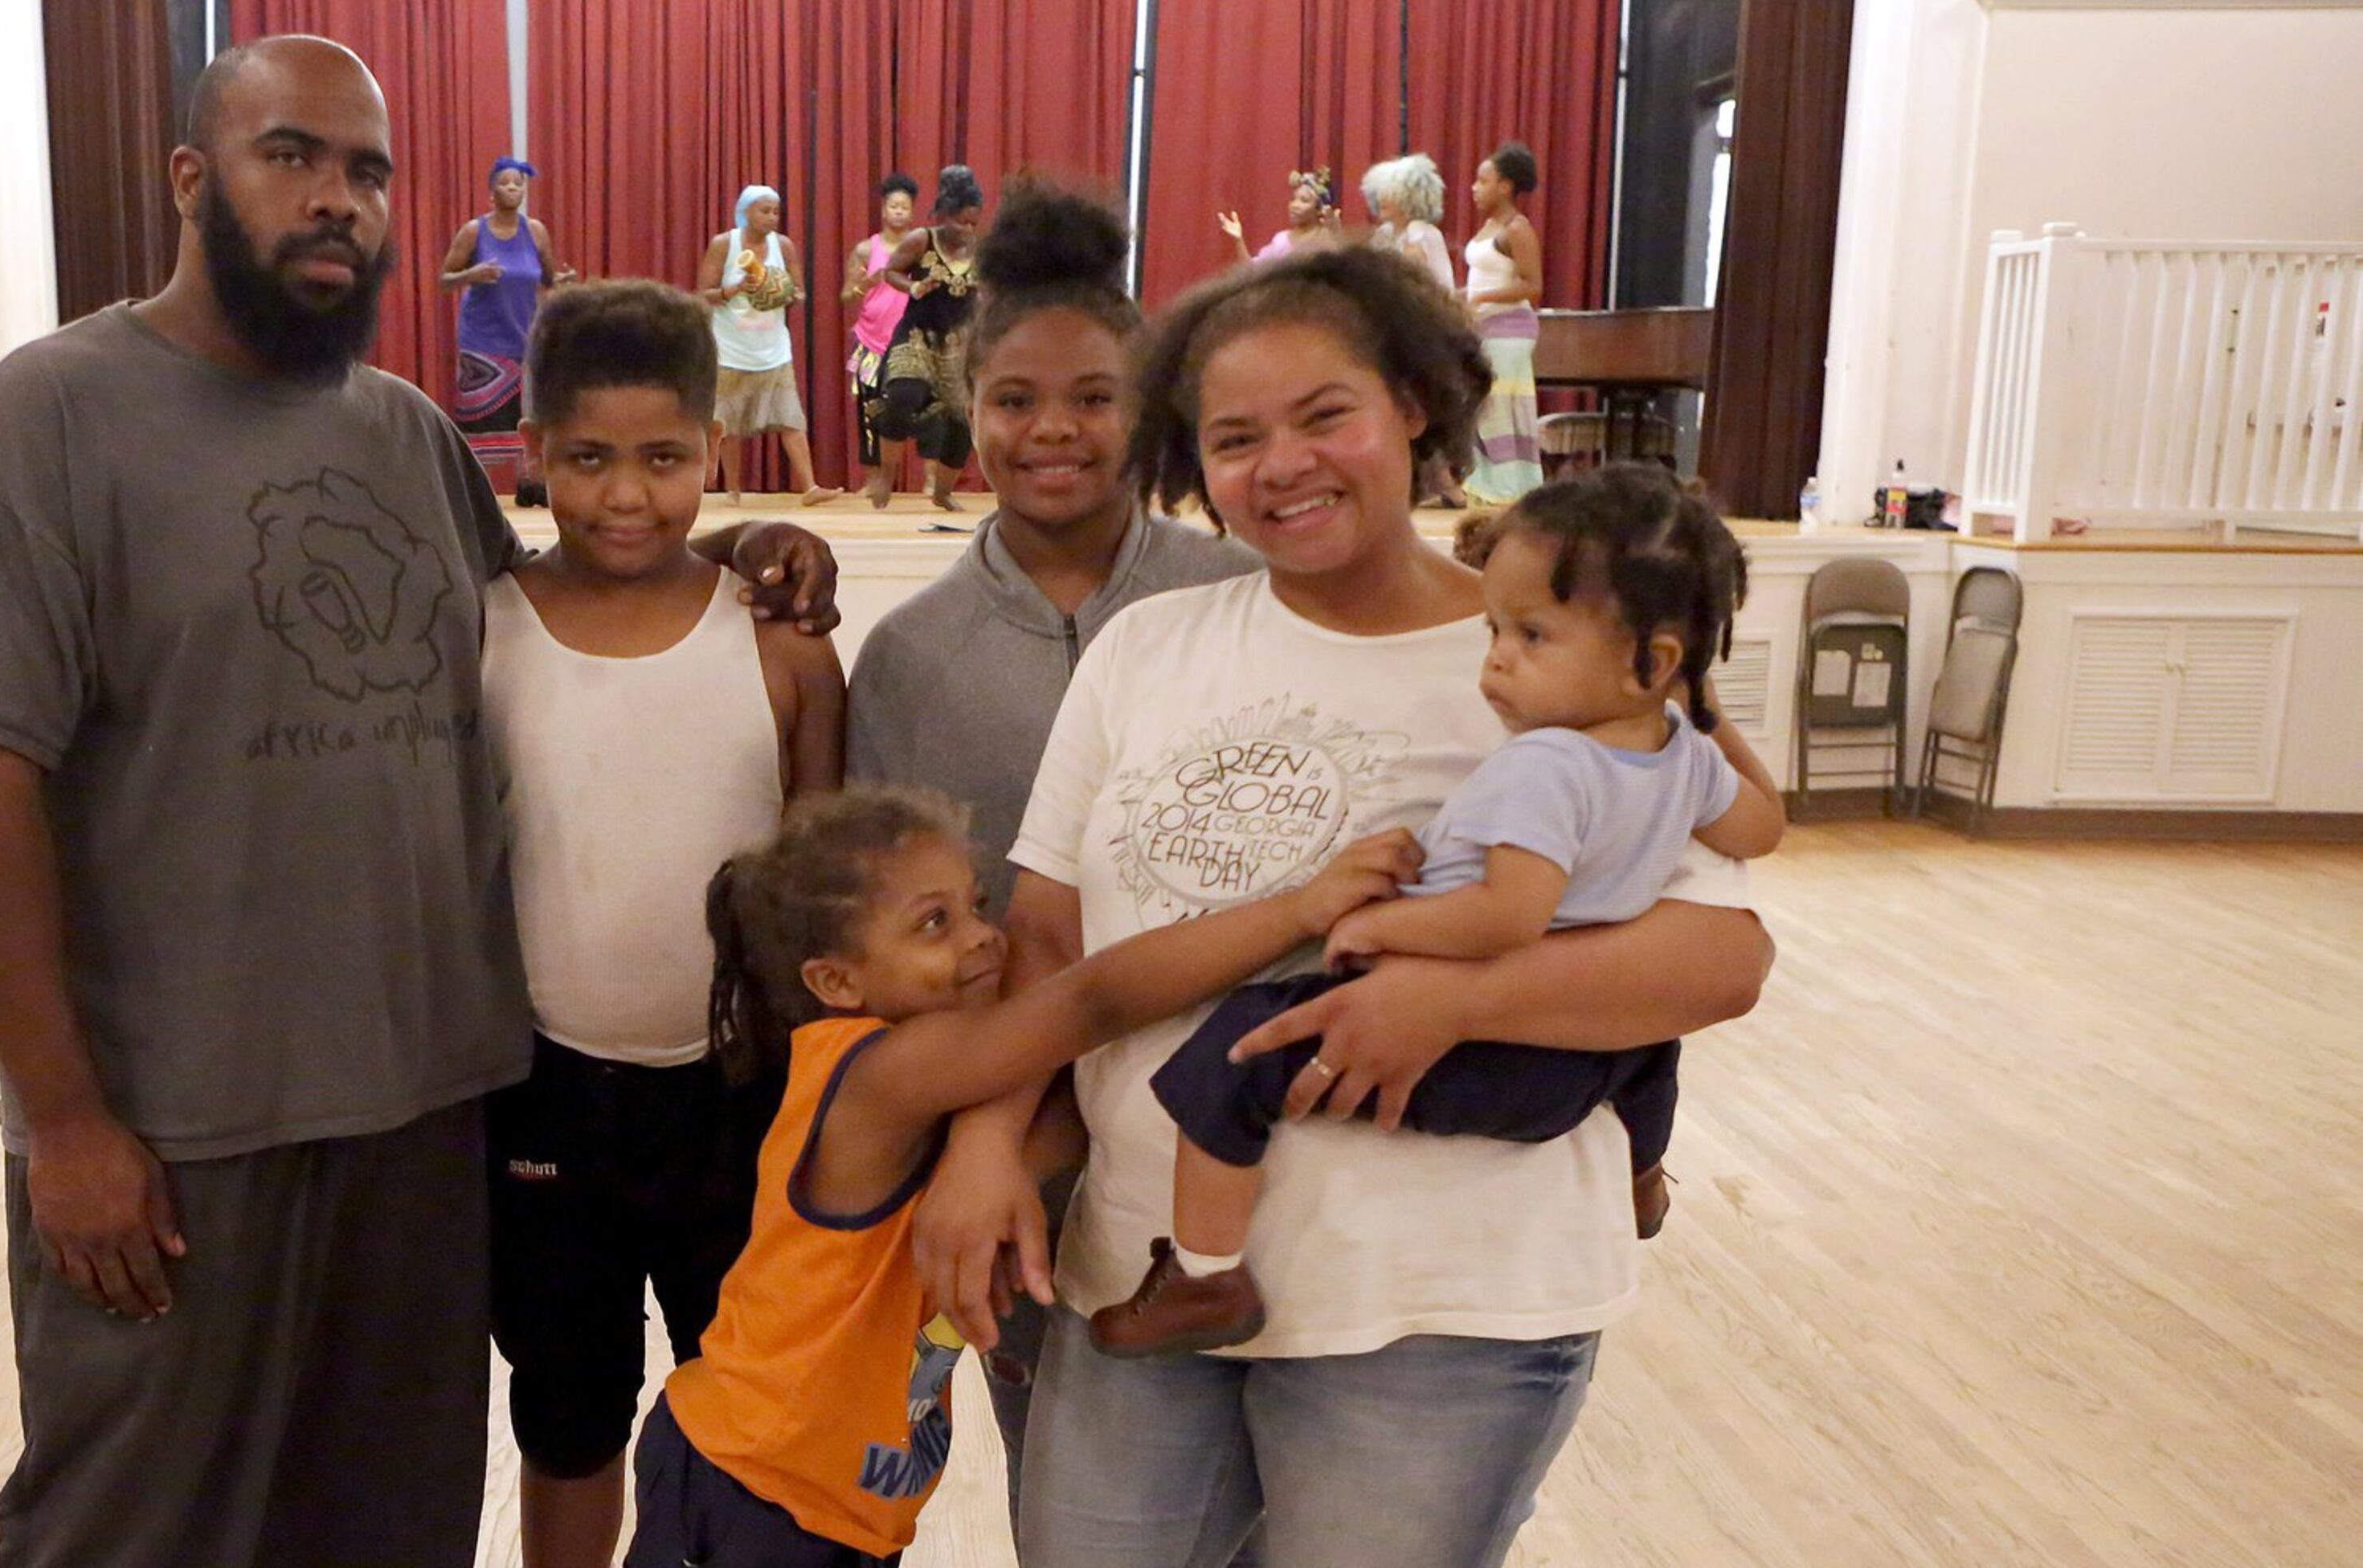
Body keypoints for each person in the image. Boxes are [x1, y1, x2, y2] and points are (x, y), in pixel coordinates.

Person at [0, 35, 841, 1568]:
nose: (336, 199)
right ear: (192, 180)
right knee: (127, 1523)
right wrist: (63, 1118)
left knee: (388, 1521)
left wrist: (749, 546)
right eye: (291, 156)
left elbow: (579, 619)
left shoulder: (401, 435)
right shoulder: (41, 422)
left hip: (425, 1118)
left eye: (367, 171)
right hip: (179, 1130)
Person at [913, 246, 1774, 1568]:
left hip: (1438, 1311)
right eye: (1236, 437)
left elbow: (1721, 955)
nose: (1287, 464)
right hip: (1144, 1273)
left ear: (1415, 408)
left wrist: (1456, 997)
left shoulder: (1549, 652)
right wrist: (983, 1139)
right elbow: (1043, 938)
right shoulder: (1153, 646)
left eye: (1327, 416)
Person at [1090, 465, 1787, 1358]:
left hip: (1478, 1050)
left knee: (1232, 1055)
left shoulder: (1546, 766)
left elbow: (1506, 917)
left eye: (1533, 635)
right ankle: (1643, 1174)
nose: (1496, 657)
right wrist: (1697, 706)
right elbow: (1763, 827)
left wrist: (1375, 926)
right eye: (1495, 628)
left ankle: (1203, 1275)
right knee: (1652, 1045)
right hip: (1583, 1062)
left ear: (1650, 660)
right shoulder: (1683, 758)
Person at [627, 790, 1419, 1567]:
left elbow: (1073, 1119)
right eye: (935, 924)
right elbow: (1088, 1002)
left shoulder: (936, 1090)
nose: (985, 939)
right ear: (836, 983)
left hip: (838, 1510)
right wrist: (1299, 913)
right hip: (751, 1487)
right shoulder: (877, 1073)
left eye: (977, 906)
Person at [842, 176, 1259, 1531]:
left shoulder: (1239, 600)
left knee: (1263, 1505)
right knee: (1074, 1503)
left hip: (1245, 1137)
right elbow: (913, 953)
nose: (1055, 431)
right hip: (1023, 1153)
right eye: (1017, 400)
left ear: (1148, 411)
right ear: (971, 412)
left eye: (1094, 395)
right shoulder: (912, 660)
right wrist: (984, 1138)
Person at [484, 278, 848, 1568]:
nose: (626, 495)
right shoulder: (486, 634)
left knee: (750, 1412)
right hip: (543, 1100)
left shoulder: (783, 648)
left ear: (713, 450)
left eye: (662, 458)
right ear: (532, 452)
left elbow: (823, 905)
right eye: (587, 458)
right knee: (568, 1419)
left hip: (739, 1100)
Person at [438, 155, 577, 503]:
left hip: (526, 337)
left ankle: (530, 486)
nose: (513, 188)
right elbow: (444, 279)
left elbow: (546, 280)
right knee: (481, 417)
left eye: (519, 184)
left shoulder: (535, 231)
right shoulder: (474, 231)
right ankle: (476, 492)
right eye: (505, 183)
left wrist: (564, 281)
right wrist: (472, 274)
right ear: (491, 192)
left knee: (529, 413)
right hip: (482, 340)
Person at [701, 185, 837, 505]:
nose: (772, 218)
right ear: (746, 212)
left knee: (791, 419)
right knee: (730, 424)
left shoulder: (784, 246)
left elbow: (800, 293)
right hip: (731, 348)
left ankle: (810, 488)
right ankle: (732, 490)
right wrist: (732, 291)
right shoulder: (724, 245)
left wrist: (783, 291)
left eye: (776, 211)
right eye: (765, 211)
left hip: (774, 349)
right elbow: (702, 293)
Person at [875, 165, 988, 511]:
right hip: (916, 335)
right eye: (961, 223)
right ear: (944, 215)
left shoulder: (980, 251)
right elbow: (889, 271)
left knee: (961, 420)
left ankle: (942, 493)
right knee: (902, 395)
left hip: (959, 343)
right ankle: (885, 476)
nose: (968, 230)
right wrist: (913, 286)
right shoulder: (922, 240)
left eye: (973, 223)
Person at [1462, 143, 1549, 504]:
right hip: (1485, 328)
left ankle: (1512, 488)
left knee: (1501, 409)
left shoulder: (1518, 229)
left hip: (1510, 331)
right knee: (1482, 407)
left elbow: (1532, 286)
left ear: (1506, 186)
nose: (1474, 188)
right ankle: (1487, 485)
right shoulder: (1488, 228)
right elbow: (1484, 279)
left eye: (1484, 181)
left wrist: (1480, 299)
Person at [844, 174, 919, 500]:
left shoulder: (920, 249)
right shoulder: (866, 249)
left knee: (923, 409)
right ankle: (873, 479)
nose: (899, 212)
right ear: (884, 210)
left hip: (911, 341)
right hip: (872, 341)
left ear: (912, 211)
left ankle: (931, 480)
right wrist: (866, 284)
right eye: (894, 206)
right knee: (870, 412)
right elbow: (846, 296)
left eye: (905, 207)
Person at [1360, 154, 1457, 293]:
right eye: (1380, 191)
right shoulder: (1385, 233)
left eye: (1391, 193)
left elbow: (1412, 280)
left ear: (1409, 198)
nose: (1381, 198)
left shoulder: (1419, 232)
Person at [1217, 167, 1343, 265]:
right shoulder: (1282, 241)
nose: (1295, 205)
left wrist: (1336, 234)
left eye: (1304, 200)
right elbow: (1253, 272)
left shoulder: (1326, 239)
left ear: (1319, 209)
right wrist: (1238, 239)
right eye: (1293, 199)